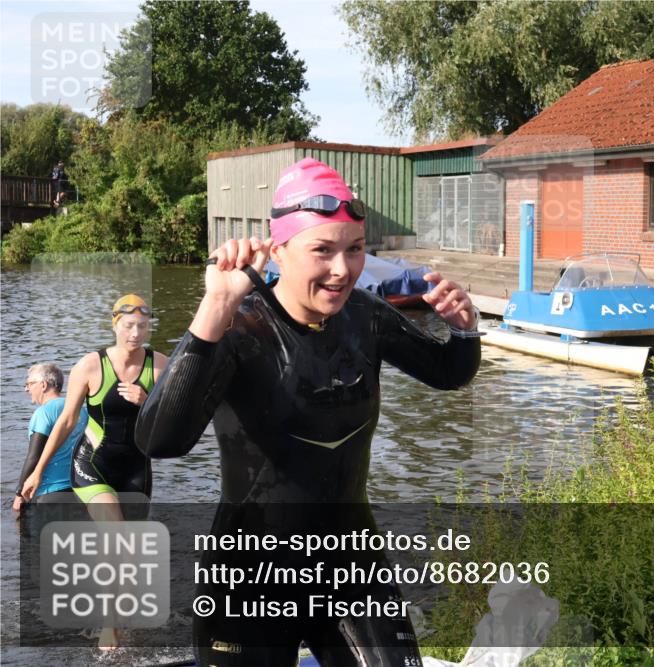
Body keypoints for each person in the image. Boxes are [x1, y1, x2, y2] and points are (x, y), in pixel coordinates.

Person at [136, 158, 482, 666]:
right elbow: (158, 441)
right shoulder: (240, 330)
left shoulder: (367, 318)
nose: (343, 270)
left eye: (355, 249)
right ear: (279, 250)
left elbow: (448, 372)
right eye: (322, 250)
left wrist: (465, 328)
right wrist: (215, 307)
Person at [21, 294, 168, 648]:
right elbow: (67, 421)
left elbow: (172, 423)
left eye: (143, 326)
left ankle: (120, 621)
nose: (135, 333)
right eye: (129, 325)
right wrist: (38, 471)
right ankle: (109, 630)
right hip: (92, 465)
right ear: (115, 324)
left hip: (136, 470)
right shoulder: (91, 365)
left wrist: (148, 401)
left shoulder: (160, 365)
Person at [13, 364, 87, 519]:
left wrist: (19, 494)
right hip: (81, 490)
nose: (27, 389)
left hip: (50, 492)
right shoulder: (81, 410)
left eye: (29, 384)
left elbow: (34, 456)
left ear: (44, 385)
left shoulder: (43, 413)